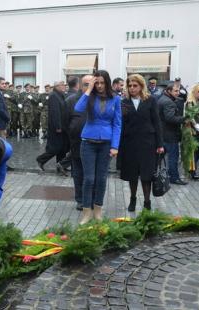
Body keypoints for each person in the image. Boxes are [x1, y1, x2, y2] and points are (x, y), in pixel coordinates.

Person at [74, 70, 122, 224]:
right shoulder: (89, 97)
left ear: (107, 83)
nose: (100, 86)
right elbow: (78, 109)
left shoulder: (115, 99)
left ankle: (98, 211)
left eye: (102, 83)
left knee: (101, 179)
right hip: (88, 142)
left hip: (106, 144)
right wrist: (89, 89)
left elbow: (117, 123)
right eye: (97, 83)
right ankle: (86, 212)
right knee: (89, 179)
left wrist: (115, 146)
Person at [118, 74, 164, 212]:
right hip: (130, 144)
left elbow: (157, 122)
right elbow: (120, 125)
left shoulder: (150, 100)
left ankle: (147, 202)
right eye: (130, 86)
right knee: (132, 174)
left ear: (141, 86)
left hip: (148, 144)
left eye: (135, 86)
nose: (132, 88)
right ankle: (132, 199)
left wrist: (160, 144)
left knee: (146, 175)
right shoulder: (124, 102)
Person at [68, 75, 92, 211]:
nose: (88, 87)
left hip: (95, 143)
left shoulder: (98, 99)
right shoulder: (71, 101)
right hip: (77, 143)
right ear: (80, 85)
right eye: (85, 84)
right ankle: (80, 199)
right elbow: (66, 122)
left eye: (91, 84)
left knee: (92, 174)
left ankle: (92, 199)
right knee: (78, 173)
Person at [157, 83, 187, 185]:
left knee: (158, 156)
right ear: (169, 91)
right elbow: (170, 118)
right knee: (173, 158)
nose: (178, 93)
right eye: (176, 91)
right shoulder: (168, 102)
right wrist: (184, 119)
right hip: (170, 135)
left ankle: (148, 173)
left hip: (163, 133)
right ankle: (174, 177)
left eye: (178, 91)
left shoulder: (163, 99)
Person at [36, 81, 69, 171]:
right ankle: (41, 159)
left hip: (62, 126)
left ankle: (61, 166)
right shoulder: (53, 96)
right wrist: (58, 126)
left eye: (64, 85)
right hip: (56, 127)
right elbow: (55, 113)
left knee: (62, 148)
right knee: (55, 148)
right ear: (57, 86)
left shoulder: (60, 94)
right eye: (62, 85)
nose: (64, 86)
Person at [181, 84, 199, 180]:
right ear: (194, 92)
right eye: (198, 92)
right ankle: (192, 170)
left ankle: (192, 168)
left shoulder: (197, 102)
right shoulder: (190, 102)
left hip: (197, 128)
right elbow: (190, 118)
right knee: (193, 150)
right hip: (191, 129)